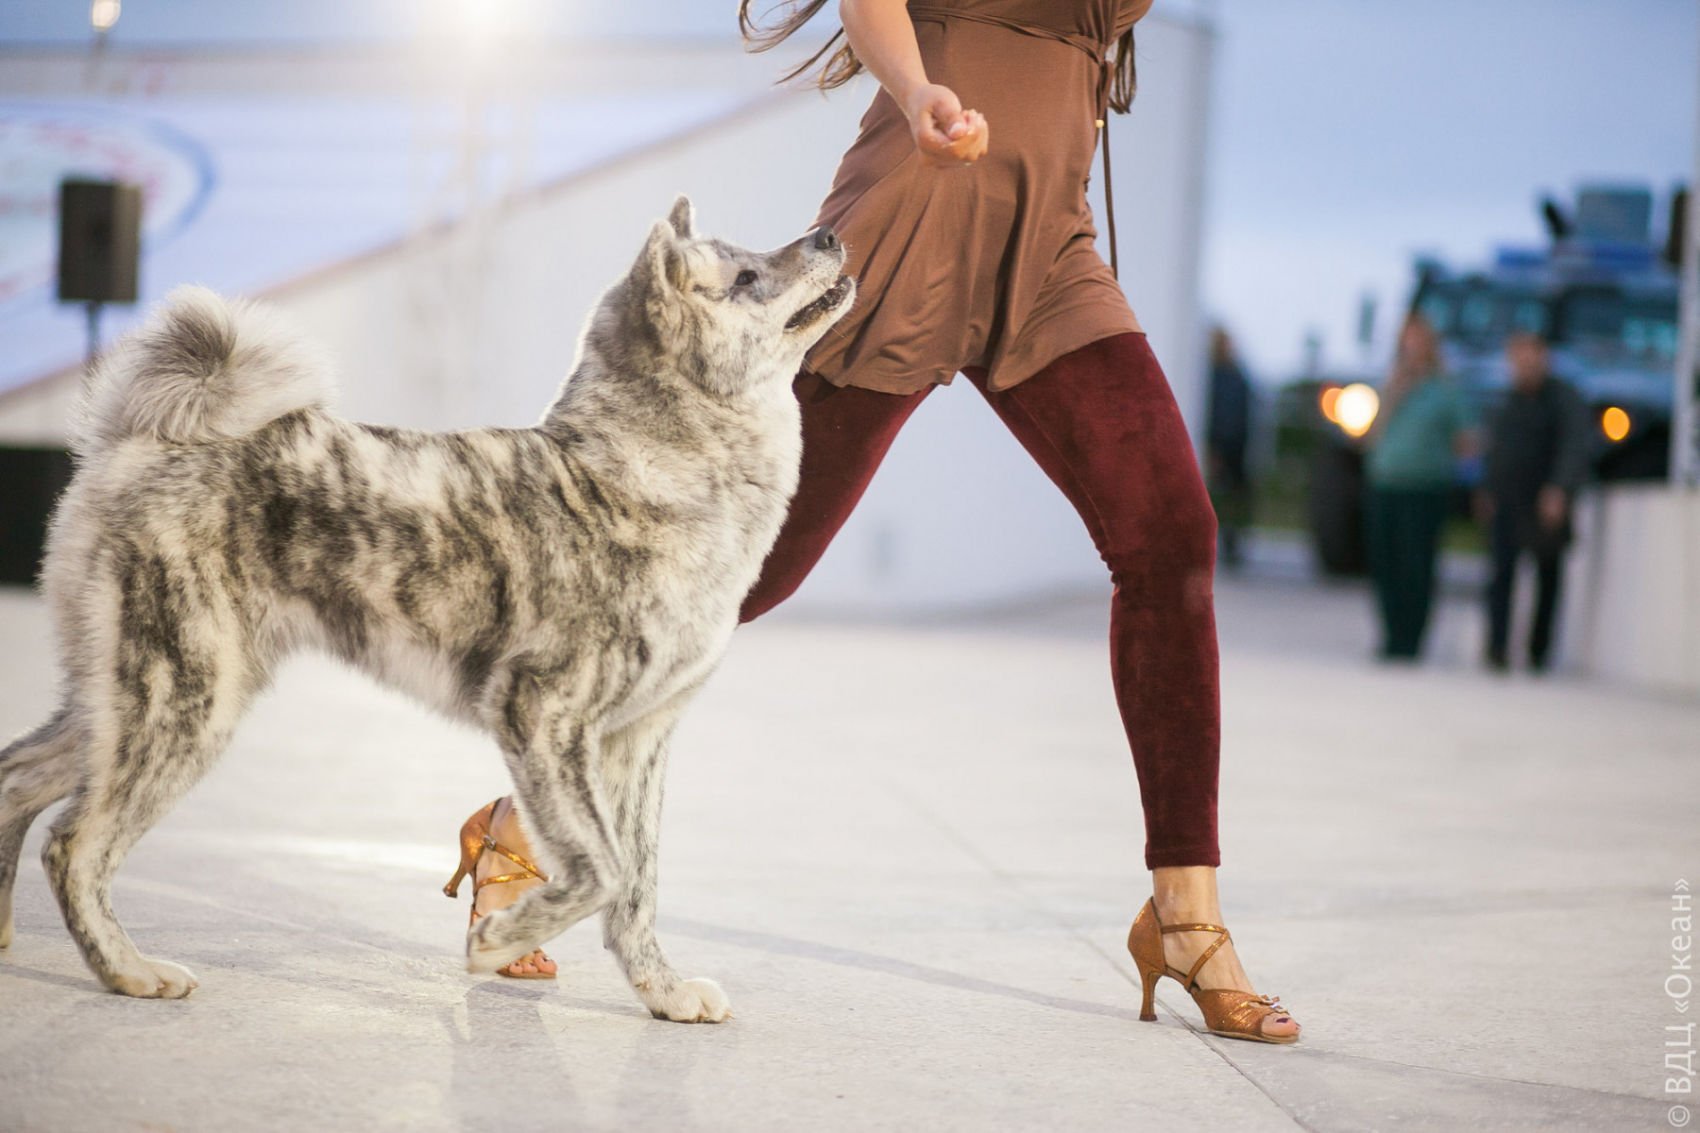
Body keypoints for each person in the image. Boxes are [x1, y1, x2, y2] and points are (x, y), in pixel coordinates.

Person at [450, 0, 1299, 1042]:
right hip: (911, 224)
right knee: (732, 578)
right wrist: (915, 89)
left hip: (1049, 248)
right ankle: (520, 831)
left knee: (1171, 537)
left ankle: (1184, 917)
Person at [1363, 314, 1475, 661]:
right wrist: (1394, 393)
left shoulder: (1445, 391)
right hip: (1386, 483)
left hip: (1425, 488)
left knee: (1417, 565)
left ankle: (1411, 638)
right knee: (1385, 562)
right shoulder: (1388, 386)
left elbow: (1466, 439)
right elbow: (1369, 434)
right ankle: (1390, 634)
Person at [1478, 333, 1589, 673]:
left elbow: (1574, 445)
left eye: (1530, 358)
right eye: (1518, 359)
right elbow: (1495, 449)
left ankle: (1538, 652)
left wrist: (1560, 488)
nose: (1524, 366)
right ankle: (1497, 649)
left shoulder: (1563, 399)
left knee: (1547, 577)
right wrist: (1487, 488)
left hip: (1545, 499)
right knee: (1501, 574)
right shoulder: (1507, 400)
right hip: (1508, 497)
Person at [1205, 327, 1255, 568]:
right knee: (1216, 495)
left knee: (1234, 496)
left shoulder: (1235, 376)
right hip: (1220, 443)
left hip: (1237, 444)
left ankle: (1231, 543)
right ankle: (1215, 542)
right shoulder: (1214, 375)